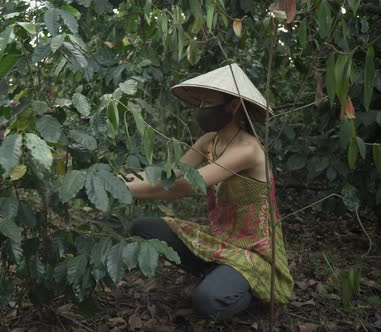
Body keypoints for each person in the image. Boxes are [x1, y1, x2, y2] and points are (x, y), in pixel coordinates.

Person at [122, 64, 294, 320]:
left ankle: (249, 293)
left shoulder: (247, 150)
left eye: (209, 101)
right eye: (200, 101)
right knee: (143, 227)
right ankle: (218, 274)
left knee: (207, 302)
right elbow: (170, 175)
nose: (202, 108)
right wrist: (111, 182)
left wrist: (123, 191)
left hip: (253, 252)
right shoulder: (209, 141)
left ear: (233, 106)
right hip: (221, 241)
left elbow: (186, 186)